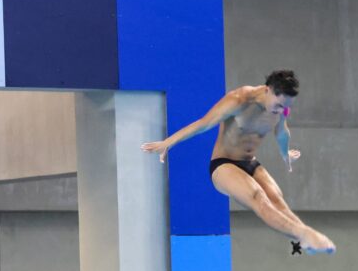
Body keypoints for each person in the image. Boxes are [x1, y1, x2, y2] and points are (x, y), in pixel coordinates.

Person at [141, 69, 335, 254]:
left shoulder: (282, 108)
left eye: (286, 107)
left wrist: (285, 155)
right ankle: (305, 234)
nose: (282, 111)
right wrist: (168, 142)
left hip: (250, 163)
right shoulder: (240, 99)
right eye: (278, 105)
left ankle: (304, 237)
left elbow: (282, 132)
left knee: (277, 199)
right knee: (259, 197)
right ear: (268, 90)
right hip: (223, 165)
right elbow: (203, 123)